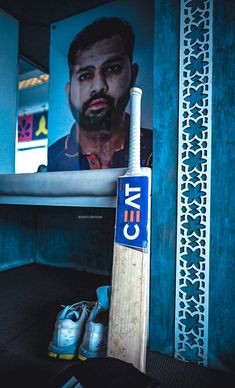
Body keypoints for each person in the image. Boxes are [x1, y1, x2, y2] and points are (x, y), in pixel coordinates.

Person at [47, 17, 152, 172]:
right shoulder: (53, 156)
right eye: (85, 76)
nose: (98, 87)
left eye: (112, 69)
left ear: (133, 76)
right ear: (69, 92)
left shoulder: (158, 147)